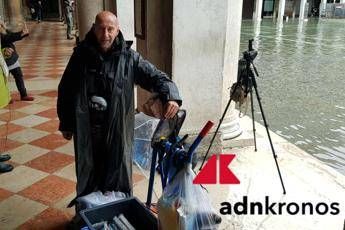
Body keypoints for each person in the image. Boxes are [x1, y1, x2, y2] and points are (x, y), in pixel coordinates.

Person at [57, 11, 181, 210]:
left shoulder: (129, 58)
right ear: (93, 29)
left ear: (117, 30)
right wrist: (66, 122)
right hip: (88, 129)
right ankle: (89, 215)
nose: (105, 34)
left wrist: (171, 96)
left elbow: (156, 77)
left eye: (110, 29)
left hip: (118, 129)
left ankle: (118, 213)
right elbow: (66, 89)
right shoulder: (80, 56)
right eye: (100, 29)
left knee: (118, 174)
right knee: (89, 174)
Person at [0, 22, 34, 101]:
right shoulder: (2, 35)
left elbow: (11, 35)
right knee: (4, 80)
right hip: (3, 61)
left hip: (12, 59)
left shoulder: (3, 31)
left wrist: (22, 33)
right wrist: (21, 33)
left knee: (19, 76)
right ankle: (7, 98)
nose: (1, 25)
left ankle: (24, 95)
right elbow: (8, 38)